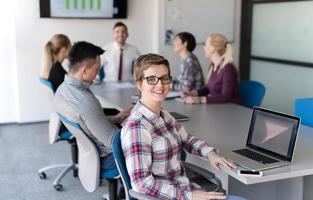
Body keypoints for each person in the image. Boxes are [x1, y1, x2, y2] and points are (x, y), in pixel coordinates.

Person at [121, 53, 236, 200]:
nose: (160, 85)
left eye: (165, 78)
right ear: (139, 84)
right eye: (151, 79)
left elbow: (186, 139)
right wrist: (189, 196)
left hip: (184, 189)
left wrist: (210, 153)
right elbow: (142, 184)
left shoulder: (164, 115)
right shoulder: (136, 127)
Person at [54, 41, 131, 170]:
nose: (97, 74)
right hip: (107, 157)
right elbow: (113, 141)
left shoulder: (62, 89)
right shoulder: (85, 101)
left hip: (89, 154)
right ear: (84, 71)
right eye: (96, 69)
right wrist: (138, 128)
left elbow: (88, 122)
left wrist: (117, 118)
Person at [182, 33, 241, 104]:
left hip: (230, 110)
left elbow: (226, 97)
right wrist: (192, 93)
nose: (204, 47)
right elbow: (208, 88)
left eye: (206, 44)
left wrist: (199, 100)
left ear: (213, 48)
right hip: (218, 108)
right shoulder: (213, 66)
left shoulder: (228, 69)